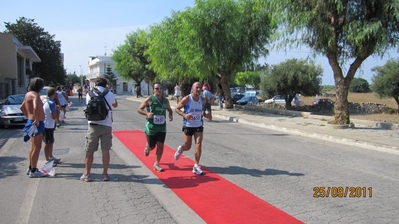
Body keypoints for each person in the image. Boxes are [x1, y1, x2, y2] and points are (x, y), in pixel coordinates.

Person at [81, 77, 118, 182]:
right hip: (106, 125)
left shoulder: (89, 94)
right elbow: (115, 105)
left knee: (89, 151)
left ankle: (87, 174)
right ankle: (105, 174)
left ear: (95, 84)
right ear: (105, 84)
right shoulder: (109, 94)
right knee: (105, 150)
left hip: (93, 125)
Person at [174, 82, 212, 175]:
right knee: (188, 146)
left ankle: (196, 165)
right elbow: (177, 109)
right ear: (192, 88)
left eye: (200, 88)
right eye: (197, 88)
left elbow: (202, 111)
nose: (199, 89)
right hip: (188, 125)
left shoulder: (203, 100)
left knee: (198, 144)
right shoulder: (187, 99)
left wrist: (206, 115)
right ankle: (181, 149)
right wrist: (185, 115)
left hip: (198, 125)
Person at [137, 82, 173, 172]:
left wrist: (170, 115)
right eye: (157, 88)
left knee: (160, 145)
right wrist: (147, 113)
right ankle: (148, 146)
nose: (159, 90)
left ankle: (157, 163)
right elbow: (139, 109)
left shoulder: (166, 100)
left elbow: (169, 109)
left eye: (160, 88)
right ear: (153, 90)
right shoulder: (150, 99)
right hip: (151, 127)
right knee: (152, 146)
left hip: (162, 127)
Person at [20, 77, 47, 178]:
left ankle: (31, 166)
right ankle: (33, 170)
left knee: (33, 147)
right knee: (37, 147)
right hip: (37, 123)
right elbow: (35, 107)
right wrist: (35, 119)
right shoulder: (35, 95)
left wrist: (29, 116)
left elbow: (22, 107)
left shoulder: (27, 95)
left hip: (31, 121)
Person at [42, 87, 61, 166]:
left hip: (46, 124)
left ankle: (50, 156)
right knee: (48, 142)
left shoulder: (45, 100)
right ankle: (47, 159)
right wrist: (58, 112)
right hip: (48, 125)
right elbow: (54, 116)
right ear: (54, 94)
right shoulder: (51, 103)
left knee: (51, 141)